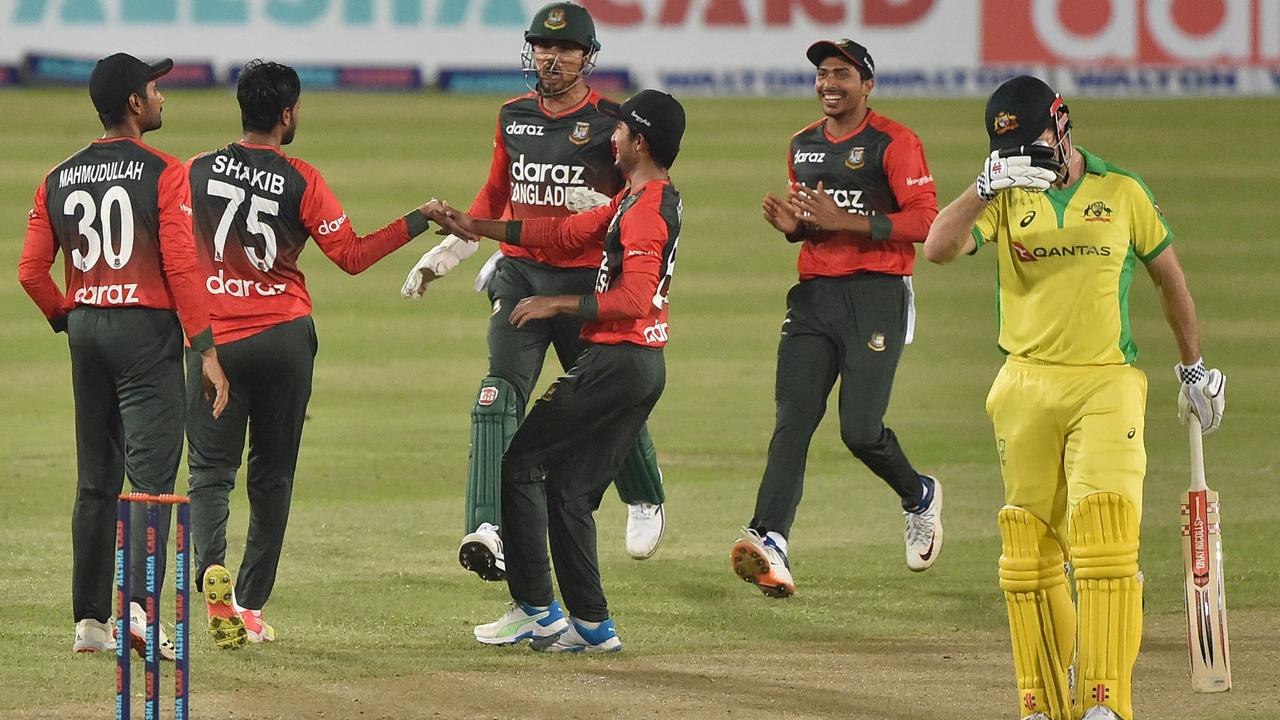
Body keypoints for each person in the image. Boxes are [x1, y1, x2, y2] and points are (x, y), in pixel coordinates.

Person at [923, 75, 1226, 720]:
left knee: (1106, 537)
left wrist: (1194, 367)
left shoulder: (1122, 190)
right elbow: (938, 249)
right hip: (1024, 383)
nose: (1027, 161)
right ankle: (1042, 702)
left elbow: (1169, 278)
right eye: (1012, 152)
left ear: (1063, 124)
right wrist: (984, 188)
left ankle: (1106, 705)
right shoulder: (1006, 196)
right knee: (1028, 554)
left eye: (1034, 145)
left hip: (1106, 382)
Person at [400, 1, 668, 580]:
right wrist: (456, 246)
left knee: (604, 397)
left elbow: (647, 198)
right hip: (520, 275)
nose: (550, 58)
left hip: (584, 279)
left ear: (587, 57)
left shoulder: (613, 124)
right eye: (542, 48)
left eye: (564, 49)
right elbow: (496, 193)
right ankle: (488, 527)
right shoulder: (512, 115)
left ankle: (645, 495)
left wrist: (608, 207)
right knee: (497, 396)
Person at [185, 60, 444, 649]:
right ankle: (249, 607)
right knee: (272, 478)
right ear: (285, 114)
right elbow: (350, 256)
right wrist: (416, 219)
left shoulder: (194, 171)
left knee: (210, 473)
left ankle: (211, 580)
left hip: (216, 339)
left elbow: (171, 250)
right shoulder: (301, 178)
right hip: (283, 336)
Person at [434, 89, 685, 653]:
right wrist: (473, 226)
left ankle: (537, 611)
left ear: (639, 143)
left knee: (520, 462)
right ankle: (593, 627)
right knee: (569, 491)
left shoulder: (644, 212)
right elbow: (561, 233)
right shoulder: (639, 198)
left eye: (620, 131)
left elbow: (636, 298)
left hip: (618, 364)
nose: (610, 137)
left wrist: (558, 304)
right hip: (640, 367)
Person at [17, 52, 229, 658]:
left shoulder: (57, 176)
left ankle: (89, 623)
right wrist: (206, 349)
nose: (163, 97)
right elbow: (184, 268)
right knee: (153, 480)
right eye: (155, 89)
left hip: (86, 326)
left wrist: (69, 314)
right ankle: (138, 614)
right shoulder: (165, 171)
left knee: (96, 479)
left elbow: (31, 272)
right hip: (146, 333)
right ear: (134, 104)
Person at [730, 39, 942, 599]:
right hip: (814, 295)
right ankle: (770, 537)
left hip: (876, 294)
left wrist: (847, 219)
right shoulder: (801, 145)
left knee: (860, 430)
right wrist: (795, 229)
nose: (829, 83)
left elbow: (926, 222)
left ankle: (918, 494)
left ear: (866, 84)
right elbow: (814, 221)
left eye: (842, 74)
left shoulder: (895, 142)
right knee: (793, 420)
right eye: (822, 73)